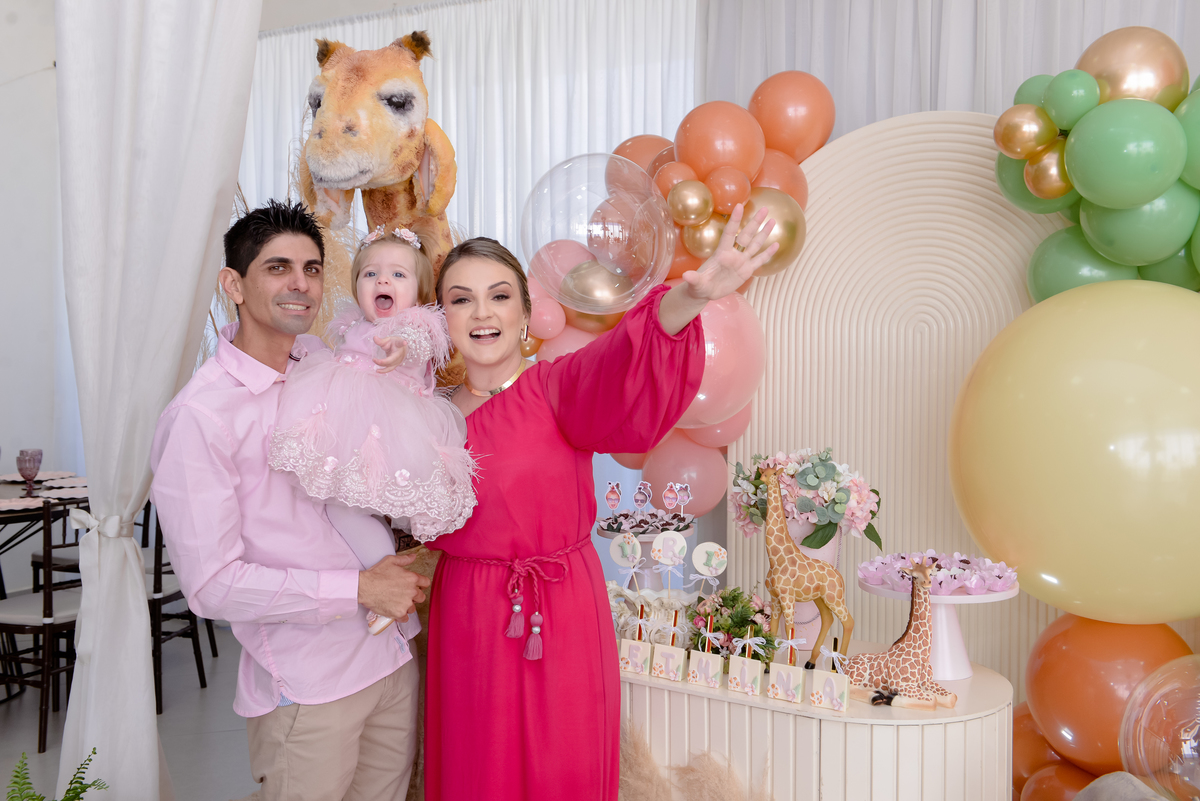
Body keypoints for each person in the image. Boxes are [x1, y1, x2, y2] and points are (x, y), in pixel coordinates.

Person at [423, 204, 778, 800]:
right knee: (477, 766)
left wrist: (690, 298)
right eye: (462, 299)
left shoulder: (555, 386)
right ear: (442, 318)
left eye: (499, 296)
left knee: (565, 764)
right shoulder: (423, 416)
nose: (482, 313)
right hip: (469, 615)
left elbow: (622, 358)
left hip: (560, 609)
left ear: (526, 313)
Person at [150, 200, 432, 801]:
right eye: (277, 267)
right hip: (310, 685)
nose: (299, 284)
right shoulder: (201, 417)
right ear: (234, 285)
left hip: (390, 655)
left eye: (311, 269)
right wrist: (359, 589)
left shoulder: (324, 362)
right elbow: (212, 586)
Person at [268, 225, 476, 633]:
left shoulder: (414, 325)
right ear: (357, 287)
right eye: (371, 274)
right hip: (350, 427)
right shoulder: (351, 326)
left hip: (389, 429)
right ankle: (384, 578)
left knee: (348, 508)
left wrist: (400, 348)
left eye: (398, 274)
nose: (383, 281)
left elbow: (415, 343)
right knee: (341, 507)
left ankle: (388, 582)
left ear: (418, 293)